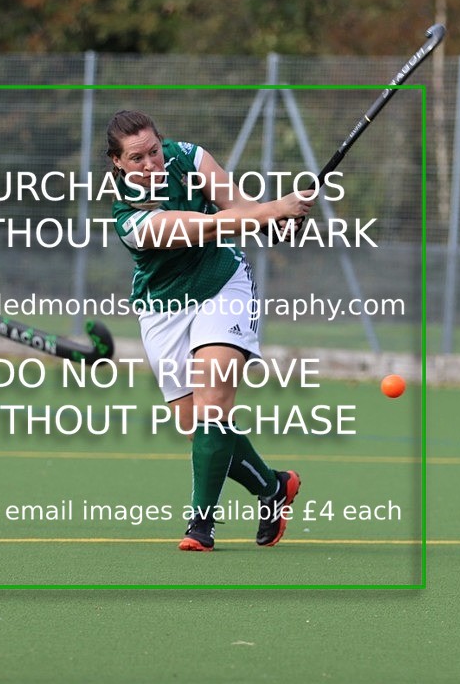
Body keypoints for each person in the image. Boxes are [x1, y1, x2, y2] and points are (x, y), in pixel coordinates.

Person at [106, 110, 315, 552]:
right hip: (162, 308)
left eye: (154, 151)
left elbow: (235, 209)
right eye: (136, 158)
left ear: (163, 142)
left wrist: (275, 221)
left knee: (213, 403)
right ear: (117, 163)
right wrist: (273, 209)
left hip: (223, 285)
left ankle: (201, 524)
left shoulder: (189, 158)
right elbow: (204, 226)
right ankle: (273, 488)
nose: (150, 164)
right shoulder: (128, 216)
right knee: (194, 423)